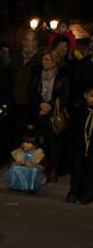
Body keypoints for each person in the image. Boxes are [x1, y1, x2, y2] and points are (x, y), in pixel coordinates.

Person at [28, 49, 71, 182]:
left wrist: (50, 106)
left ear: (54, 62)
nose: (44, 62)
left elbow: (65, 95)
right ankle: (42, 169)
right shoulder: (37, 74)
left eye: (47, 60)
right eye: (43, 59)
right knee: (42, 143)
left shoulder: (62, 76)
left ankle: (54, 170)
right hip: (40, 113)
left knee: (55, 144)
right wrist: (41, 104)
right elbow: (31, 91)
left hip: (54, 114)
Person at [10, 30, 43, 149]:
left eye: (28, 40)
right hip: (16, 104)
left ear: (36, 42)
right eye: (24, 40)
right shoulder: (17, 59)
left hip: (31, 105)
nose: (25, 43)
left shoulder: (41, 60)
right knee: (15, 136)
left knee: (30, 139)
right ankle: (15, 164)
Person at [67, 86, 93, 204]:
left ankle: (87, 194)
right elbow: (73, 128)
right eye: (92, 96)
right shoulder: (80, 110)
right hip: (79, 146)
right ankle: (74, 192)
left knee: (90, 172)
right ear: (85, 95)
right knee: (77, 171)